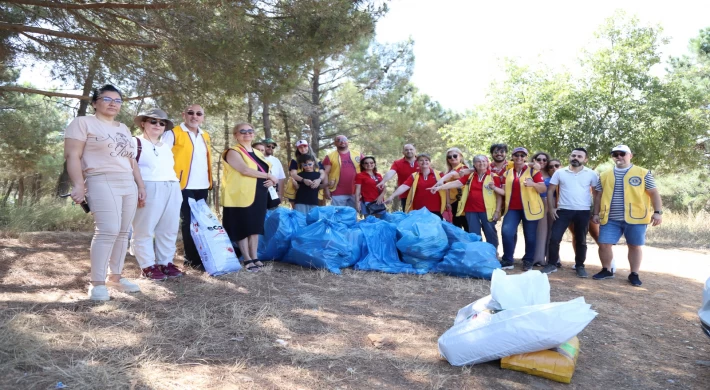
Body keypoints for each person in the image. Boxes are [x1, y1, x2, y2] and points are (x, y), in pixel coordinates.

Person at [64, 84, 146, 300]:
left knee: (122, 231)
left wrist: (141, 186)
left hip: (128, 182)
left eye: (117, 100)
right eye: (107, 99)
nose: (113, 104)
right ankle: (97, 283)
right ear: (94, 102)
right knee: (107, 230)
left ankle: (115, 278)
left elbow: (131, 160)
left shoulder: (123, 128)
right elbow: (73, 156)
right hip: (100, 179)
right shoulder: (82, 123)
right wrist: (79, 185)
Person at [591, 145, 663, 286]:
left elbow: (654, 193)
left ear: (630, 155)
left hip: (636, 218)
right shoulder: (605, 175)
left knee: (634, 245)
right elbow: (598, 195)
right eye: (615, 154)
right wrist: (595, 213)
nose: (619, 157)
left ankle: (634, 273)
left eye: (622, 153)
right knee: (604, 244)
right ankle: (606, 270)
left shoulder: (643, 173)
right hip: (610, 218)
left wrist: (658, 212)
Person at [130, 109, 183, 281]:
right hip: (148, 186)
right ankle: (147, 266)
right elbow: (130, 167)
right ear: (143, 123)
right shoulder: (134, 142)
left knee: (169, 229)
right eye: (153, 121)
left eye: (162, 123)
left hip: (172, 186)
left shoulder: (165, 147)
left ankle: (165, 262)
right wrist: (139, 187)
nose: (158, 125)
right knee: (143, 229)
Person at [220, 123, 278, 272]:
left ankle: (255, 256)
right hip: (239, 196)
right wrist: (268, 175)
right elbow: (244, 170)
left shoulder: (258, 153)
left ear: (254, 133)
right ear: (236, 135)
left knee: (255, 227)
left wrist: (271, 180)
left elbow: (266, 170)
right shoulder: (233, 152)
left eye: (250, 131)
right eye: (242, 131)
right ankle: (247, 258)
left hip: (258, 195)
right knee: (242, 227)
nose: (247, 133)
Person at [162, 104, 212, 272]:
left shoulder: (205, 135)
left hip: (203, 185)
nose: (194, 116)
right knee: (188, 222)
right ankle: (191, 259)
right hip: (182, 185)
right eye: (191, 113)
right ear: (184, 115)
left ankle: (202, 256)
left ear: (203, 117)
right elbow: (162, 157)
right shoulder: (173, 133)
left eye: (199, 113)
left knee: (200, 222)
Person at [542, 148, 600, 278]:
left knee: (581, 240)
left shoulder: (591, 174)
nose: (576, 158)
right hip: (563, 211)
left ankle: (580, 266)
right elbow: (550, 190)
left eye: (579, 156)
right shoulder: (560, 172)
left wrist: (596, 213)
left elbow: (596, 194)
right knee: (554, 238)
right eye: (573, 155)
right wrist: (551, 208)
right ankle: (551, 264)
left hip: (583, 211)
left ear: (585, 159)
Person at [429, 154, 502, 248]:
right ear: (474, 164)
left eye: (484, 161)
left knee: (490, 232)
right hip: (471, 209)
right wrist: (440, 187)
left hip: (487, 210)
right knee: (474, 234)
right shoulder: (470, 175)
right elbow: (457, 183)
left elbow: (499, 195)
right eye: (478, 161)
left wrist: (497, 211)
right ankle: (478, 253)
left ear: (488, 163)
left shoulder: (493, 176)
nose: (481, 164)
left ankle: (493, 252)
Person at [498, 147, 546, 270]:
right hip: (512, 209)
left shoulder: (533, 171)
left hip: (530, 209)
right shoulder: (507, 172)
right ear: (512, 157)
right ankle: (508, 260)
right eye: (517, 155)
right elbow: (503, 191)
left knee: (530, 236)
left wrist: (533, 184)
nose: (519, 158)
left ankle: (528, 260)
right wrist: (493, 188)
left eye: (522, 155)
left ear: (525, 157)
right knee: (506, 232)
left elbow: (543, 189)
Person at [385, 154, 448, 218]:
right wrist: (392, 196)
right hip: (418, 209)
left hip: (436, 208)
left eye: (426, 160)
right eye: (421, 160)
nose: (424, 162)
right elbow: (404, 186)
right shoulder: (414, 176)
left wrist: (448, 203)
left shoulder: (439, 174)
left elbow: (447, 188)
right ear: (417, 162)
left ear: (430, 162)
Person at [323, 135, 362, 208]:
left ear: (348, 142)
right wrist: (326, 189)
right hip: (337, 192)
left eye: (344, 139)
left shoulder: (358, 155)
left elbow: (367, 170)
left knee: (352, 215)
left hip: (355, 191)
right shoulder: (329, 156)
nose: (342, 142)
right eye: (339, 140)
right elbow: (324, 174)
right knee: (338, 215)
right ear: (335, 143)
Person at [377, 144, 419, 212]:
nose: (409, 151)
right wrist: (383, 181)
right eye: (406, 150)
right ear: (403, 152)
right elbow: (391, 172)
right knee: (407, 215)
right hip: (405, 194)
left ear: (415, 151)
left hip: (420, 193)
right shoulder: (398, 163)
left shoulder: (422, 161)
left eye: (411, 149)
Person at [436, 148, 469, 230]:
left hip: (464, 201)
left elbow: (454, 175)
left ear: (460, 156)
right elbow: (447, 188)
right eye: (449, 157)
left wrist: (441, 180)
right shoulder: (447, 172)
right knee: (456, 226)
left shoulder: (464, 169)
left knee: (466, 225)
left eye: (455, 156)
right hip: (453, 202)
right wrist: (448, 203)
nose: (452, 158)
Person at [285, 140, 323, 207]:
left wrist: (319, 180)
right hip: (297, 189)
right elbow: (293, 174)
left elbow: (323, 173)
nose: (303, 149)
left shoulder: (317, 160)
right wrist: (303, 180)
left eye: (305, 146)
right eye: (300, 147)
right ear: (297, 149)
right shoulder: (294, 161)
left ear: (308, 146)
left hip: (314, 190)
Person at [531, 151, 552, 266]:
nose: (542, 162)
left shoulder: (552, 172)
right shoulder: (531, 172)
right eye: (539, 159)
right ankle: (538, 258)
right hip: (538, 202)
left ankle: (552, 258)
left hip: (553, 203)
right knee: (541, 232)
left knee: (552, 232)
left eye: (544, 160)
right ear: (534, 160)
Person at [261, 138, 286, 204]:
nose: (271, 148)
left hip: (273, 193)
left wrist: (280, 194)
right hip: (259, 192)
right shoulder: (256, 158)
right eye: (268, 146)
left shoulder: (276, 160)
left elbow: (281, 178)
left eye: (273, 147)